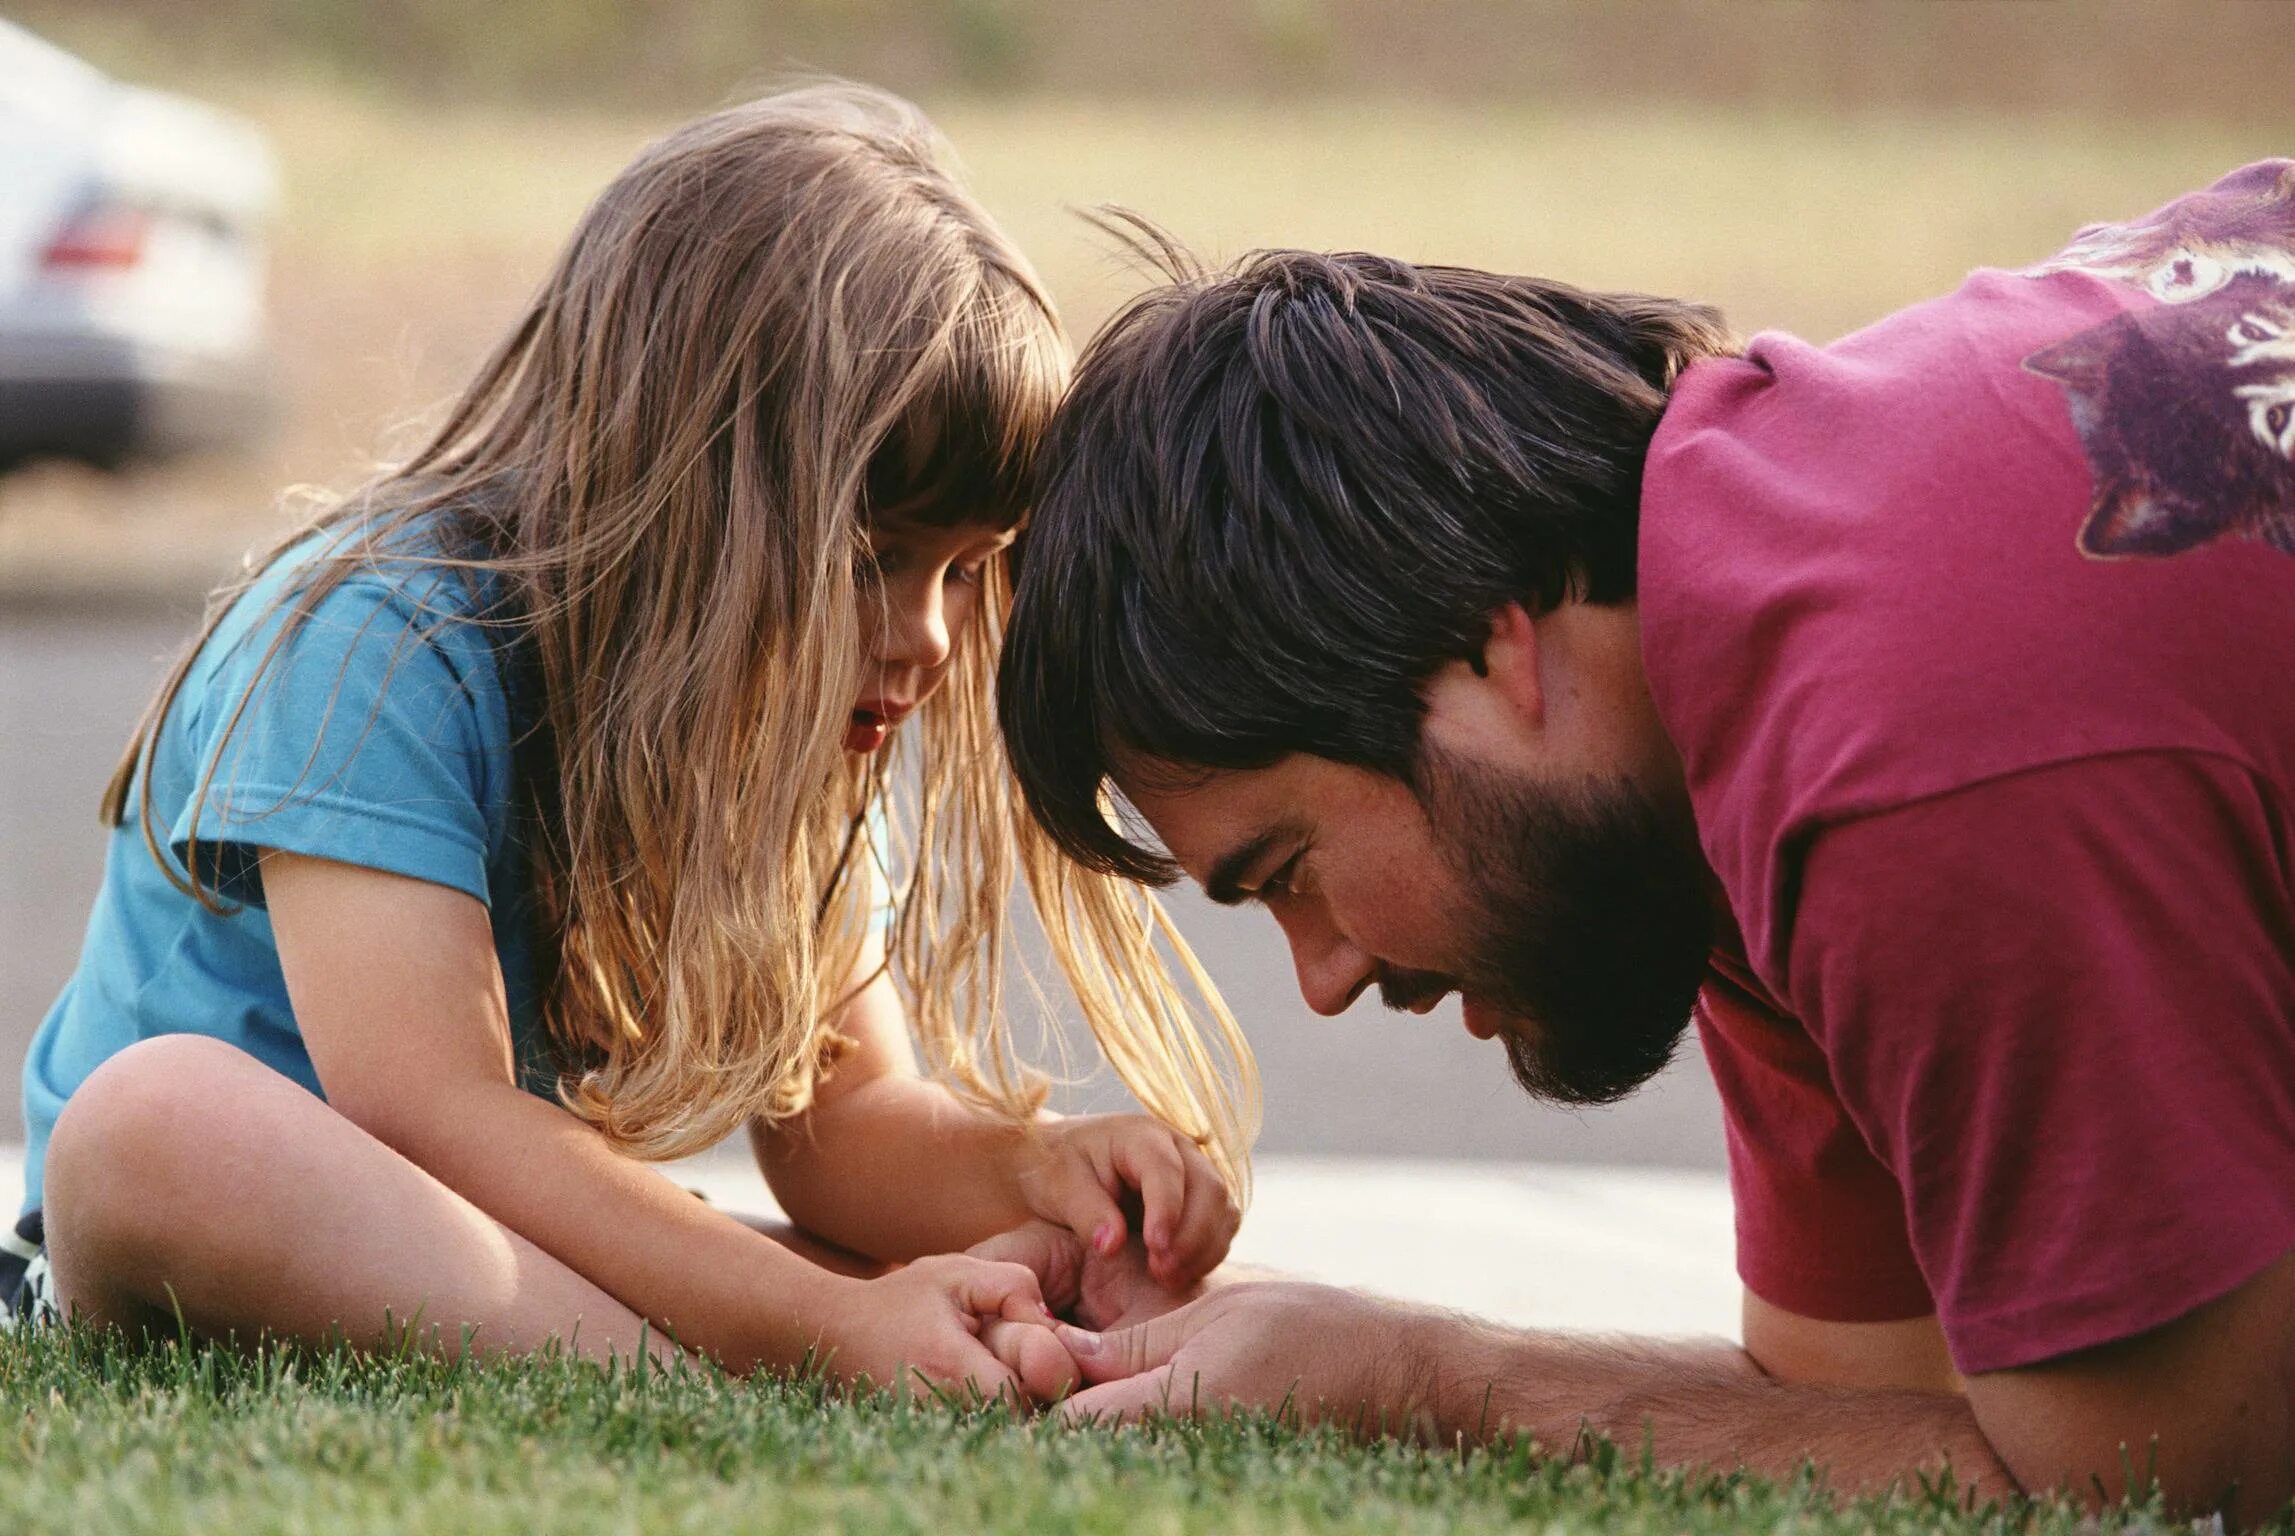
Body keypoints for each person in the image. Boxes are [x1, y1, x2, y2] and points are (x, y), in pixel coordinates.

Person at [995, 164, 2295, 1518]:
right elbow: (1852, 1403)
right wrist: (1311, 1344)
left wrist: (1426, 1380)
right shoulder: (1716, 724)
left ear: (1488, 651)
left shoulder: (1900, 751)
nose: (1320, 976)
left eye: (1289, 872)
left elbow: (2150, 1470)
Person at [10, 83, 1256, 1402]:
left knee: (990, 1280)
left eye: (966, 571)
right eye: (872, 558)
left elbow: (845, 1130)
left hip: (479, 1262)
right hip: (196, 1229)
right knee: (156, 1125)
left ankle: (858, 1350)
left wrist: (1036, 1173)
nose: (931, 637)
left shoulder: (791, 714)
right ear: (694, 497)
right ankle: (761, 1373)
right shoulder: (376, 645)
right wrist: (822, 1321)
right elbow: (428, 1115)